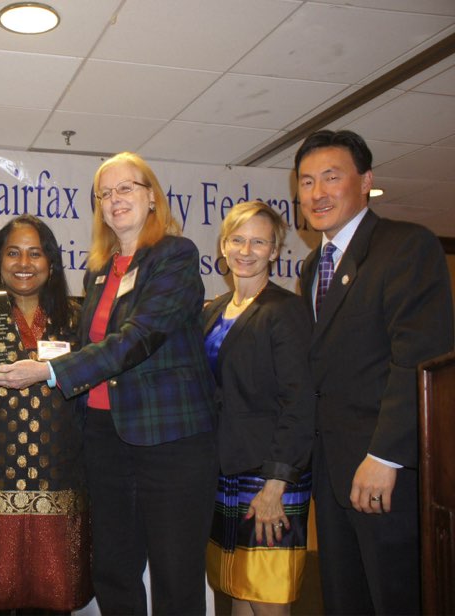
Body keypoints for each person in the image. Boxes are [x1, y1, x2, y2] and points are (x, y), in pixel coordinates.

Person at [0, 152, 218, 615]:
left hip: (169, 443)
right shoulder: (99, 270)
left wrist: (50, 371)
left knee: (176, 579)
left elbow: (137, 338)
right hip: (104, 439)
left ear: (151, 196)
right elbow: (84, 346)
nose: (116, 200)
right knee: (112, 572)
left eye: (127, 188)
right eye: (105, 193)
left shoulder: (175, 256)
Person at [295, 129, 454, 614]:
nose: (317, 193)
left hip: (385, 470)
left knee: (396, 597)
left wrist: (385, 457)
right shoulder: (310, 267)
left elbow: (418, 358)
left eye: (331, 177)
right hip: (333, 469)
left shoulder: (405, 246)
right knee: (345, 597)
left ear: (365, 181)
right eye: (305, 182)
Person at [0, 214, 92, 614]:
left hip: (60, 482)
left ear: (51, 263)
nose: (23, 263)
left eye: (35, 253)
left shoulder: (76, 319)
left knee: (52, 599)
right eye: (13, 253)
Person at [202, 201, 315, 616]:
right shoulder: (214, 311)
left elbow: (300, 403)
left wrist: (275, 485)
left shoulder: (286, 311)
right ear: (223, 245)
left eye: (258, 242)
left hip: (268, 476)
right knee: (236, 588)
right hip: (225, 470)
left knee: (267, 595)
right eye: (237, 239)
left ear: (274, 251)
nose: (245, 250)